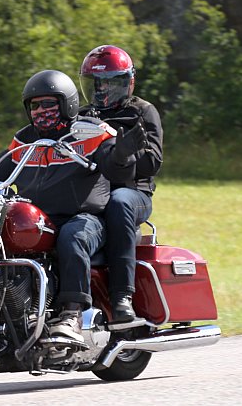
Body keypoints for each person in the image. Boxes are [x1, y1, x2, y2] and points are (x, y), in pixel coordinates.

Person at [0, 70, 141, 341]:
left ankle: (72, 315)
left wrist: (122, 155)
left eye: (49, 104)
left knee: (73, 235)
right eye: (35, 105)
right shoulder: (25, 140)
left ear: (68, 104)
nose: (41, 110)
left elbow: (117, 169)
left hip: (86, 217)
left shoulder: (91, 132)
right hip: (40, 219)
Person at [78, 45, 164, 323]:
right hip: (90, 193)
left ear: (128, 82)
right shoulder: (81, 116)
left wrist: (124, 154)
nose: (102, 90)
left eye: (111, 83)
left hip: (133, 193)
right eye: (96, 83)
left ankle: (122, 296)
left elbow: (153, 162)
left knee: (119, 203)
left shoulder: (142, 112)